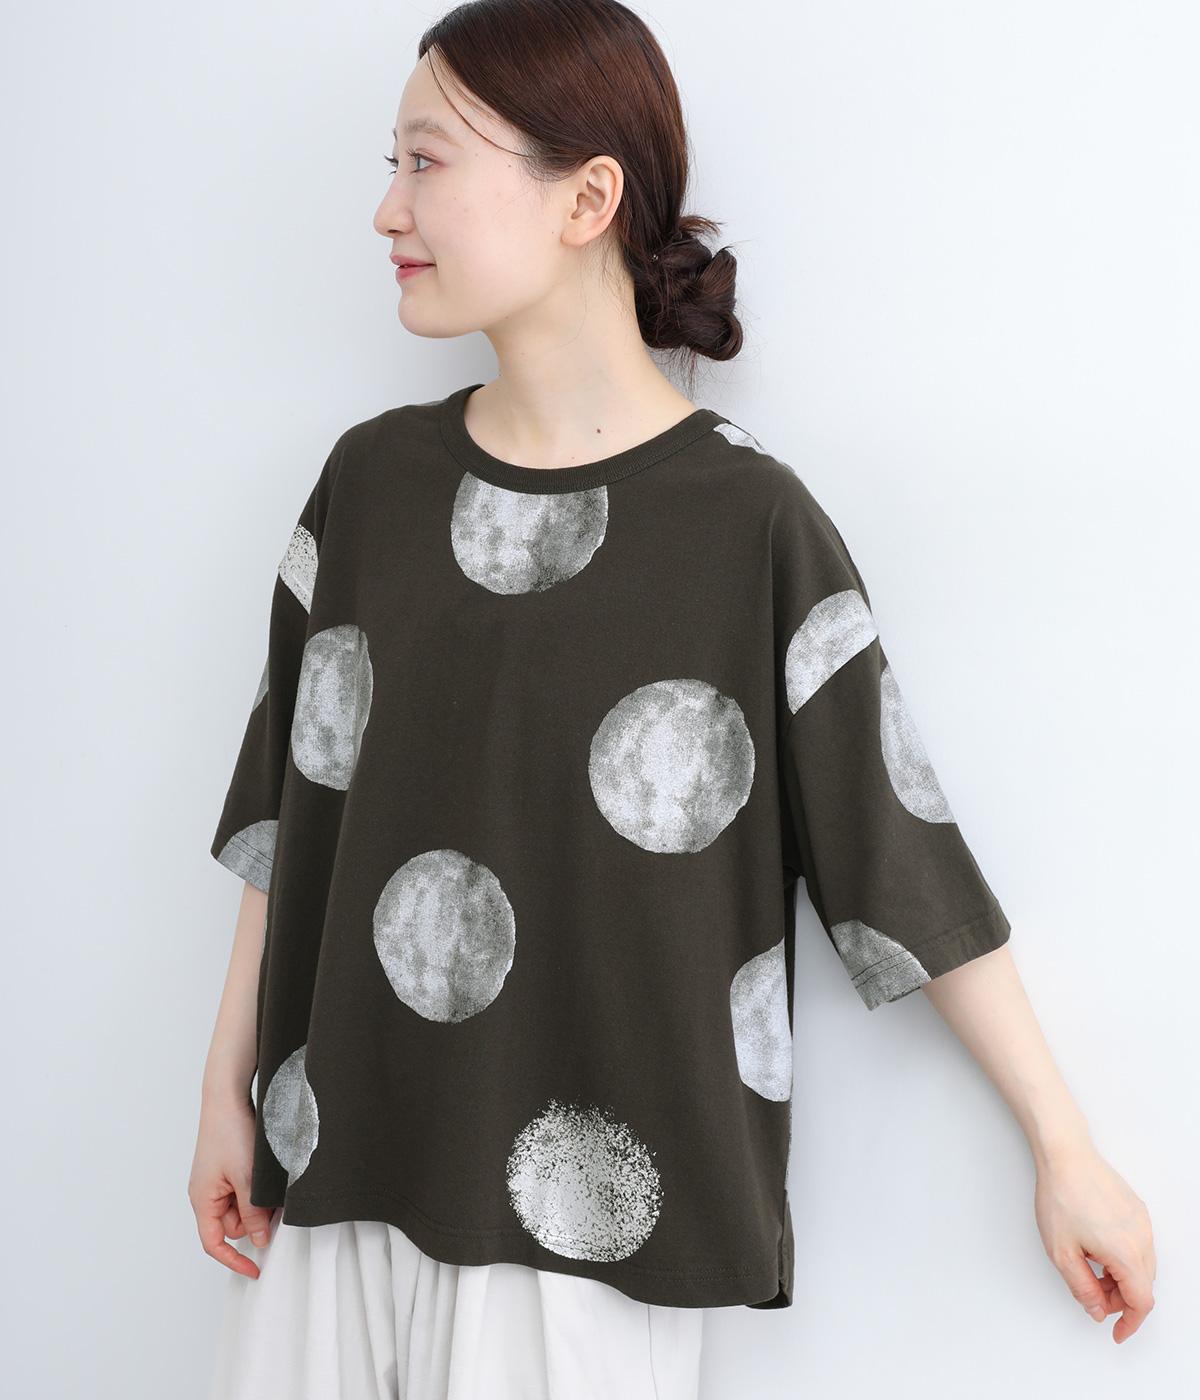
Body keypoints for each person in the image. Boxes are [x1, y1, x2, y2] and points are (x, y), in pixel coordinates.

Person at [190, 3, 1156, 1396]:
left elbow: (897, 852)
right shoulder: (368, 487)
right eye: (392, 165)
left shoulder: (747, 524)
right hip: (332, 1176)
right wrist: (224, 1089)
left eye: (427, 162)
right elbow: (291, 812)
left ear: (587, 198)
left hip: (585, 1242)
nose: (388, 209)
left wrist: (1066, 1152)